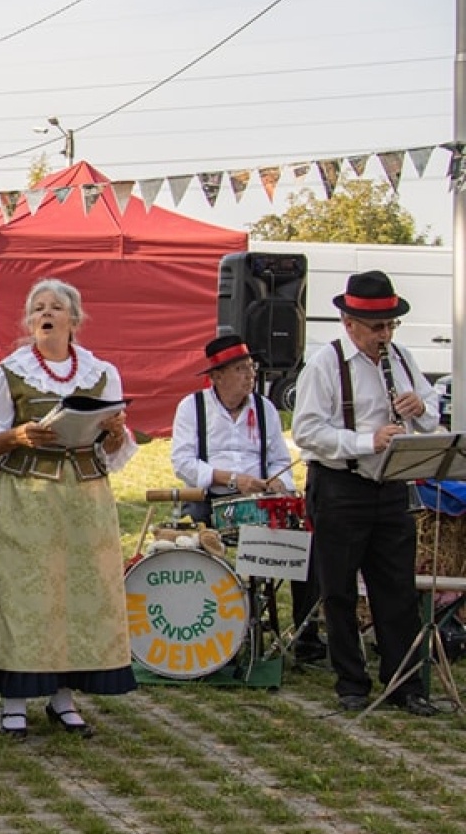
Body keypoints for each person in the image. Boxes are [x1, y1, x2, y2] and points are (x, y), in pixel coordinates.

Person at [0, 278, 137, 740]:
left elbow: (113, 451)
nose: (46, 313)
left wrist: (115, 434)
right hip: (27, 493)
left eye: (56, 307)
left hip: (84, 497)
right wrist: (17, 436)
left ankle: (63, 699)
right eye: (38, 308)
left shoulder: (101, 374)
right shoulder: (7, 373)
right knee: (23, 595)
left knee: (76, 596)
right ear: (30, 322)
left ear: (74, 319)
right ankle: (14, 702)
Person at [292, 271, 440, 716]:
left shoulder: (402, 357)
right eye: (377, 327)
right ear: (349, 323)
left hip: (391, 485)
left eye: (391, 325)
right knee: (339, 590)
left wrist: (421, 407)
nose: (385, 335)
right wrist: (365, 441)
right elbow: (307, 431)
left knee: (396, 588)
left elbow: (431, 411)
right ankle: (351, 683)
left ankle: (403, 684)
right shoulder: (325, 364)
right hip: (341, 486)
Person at [170, 335, 321, 660]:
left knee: (308, 544)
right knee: (193, 540)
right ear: (217, 376)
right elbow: (183, 462)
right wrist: (231, 478)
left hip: (261, 503)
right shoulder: (192, 407)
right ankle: (207, 624)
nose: (250, 375)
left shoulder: (265, 408)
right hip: (210, 501)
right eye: (240, 369)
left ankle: (306, 635)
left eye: (251, 368)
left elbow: (280, 460)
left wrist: (279, 483)